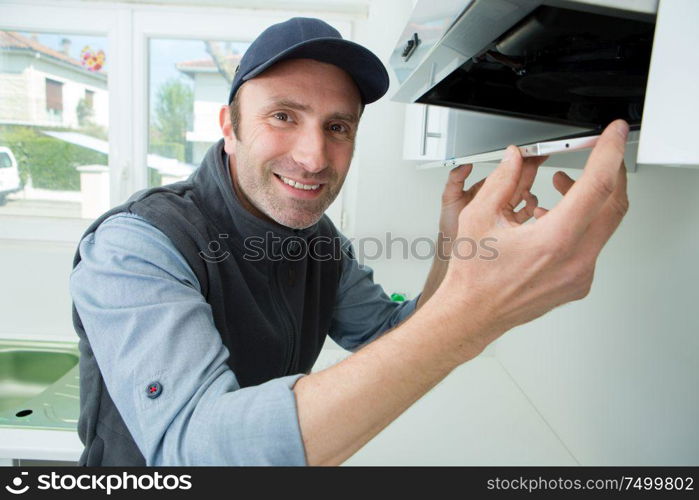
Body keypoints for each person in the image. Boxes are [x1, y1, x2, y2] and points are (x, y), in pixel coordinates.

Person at [70, 17, 629, 466]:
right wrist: (478, 313)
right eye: (284, 116)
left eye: (337, 127)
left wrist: (452, 255)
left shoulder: (318, 241)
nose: (314, 158)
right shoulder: (136, 245)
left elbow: (389, 334)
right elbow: (194, 449)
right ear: (229, 125)